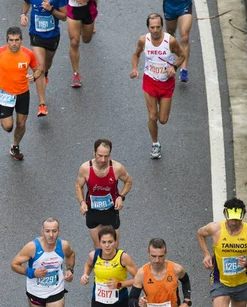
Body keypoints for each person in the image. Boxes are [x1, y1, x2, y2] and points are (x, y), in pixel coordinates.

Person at [130, 13, 185, 159]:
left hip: (166, 83)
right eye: (152, 27)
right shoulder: (144, 40)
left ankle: (162, 108)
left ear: (162, 27)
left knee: (163, 120)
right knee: (152, 116)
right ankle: (155, 144)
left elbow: (182, 55)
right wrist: (135, 69)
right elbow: (136, 54)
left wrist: (174, 67)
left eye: (158, 27)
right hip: (150, 81)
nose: (155, 30)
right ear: (148, 27)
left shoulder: (170, 41)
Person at [0, 26, 43, 161]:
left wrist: (34, 76)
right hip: (5, 94)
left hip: (23, 93)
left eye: (17, 40)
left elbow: (38, 69)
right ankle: (9, 128)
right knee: (8, 126)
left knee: (21, 124)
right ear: (7, 40)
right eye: (11, 40)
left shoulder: (28, 54)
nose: (14, 43)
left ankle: (15, 146)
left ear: (21, 40)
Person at [75, 139, 132, 248]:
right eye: (100, 155)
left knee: (113, 247)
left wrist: (121, 197)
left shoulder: (117, 168)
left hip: (110, 210)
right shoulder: (85, 168)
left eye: (106, 156)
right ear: (94, 152)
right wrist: (82, 202)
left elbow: (128, 181)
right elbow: (78, 185)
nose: (103, 159)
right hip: (93, 210)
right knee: (98, 247)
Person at [20, 0, 67, 116]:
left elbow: (64, 16)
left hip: (53, 36)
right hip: (36, 35)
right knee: (40, 67)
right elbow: (27, 2)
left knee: (47, 64)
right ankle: (42, 105)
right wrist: (23, 15)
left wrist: (51, 9)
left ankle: (45, 73)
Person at [67, 0, 98, 87]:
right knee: (74, 42)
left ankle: (84, 26)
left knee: (86, 40)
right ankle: (76, 74)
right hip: (73, 9)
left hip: (89, 9)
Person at [163, 1, 193, 83]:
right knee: (170, 35)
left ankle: (184, 70)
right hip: (170, 6)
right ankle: (170, 61)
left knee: (184, 37)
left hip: (184, 4)